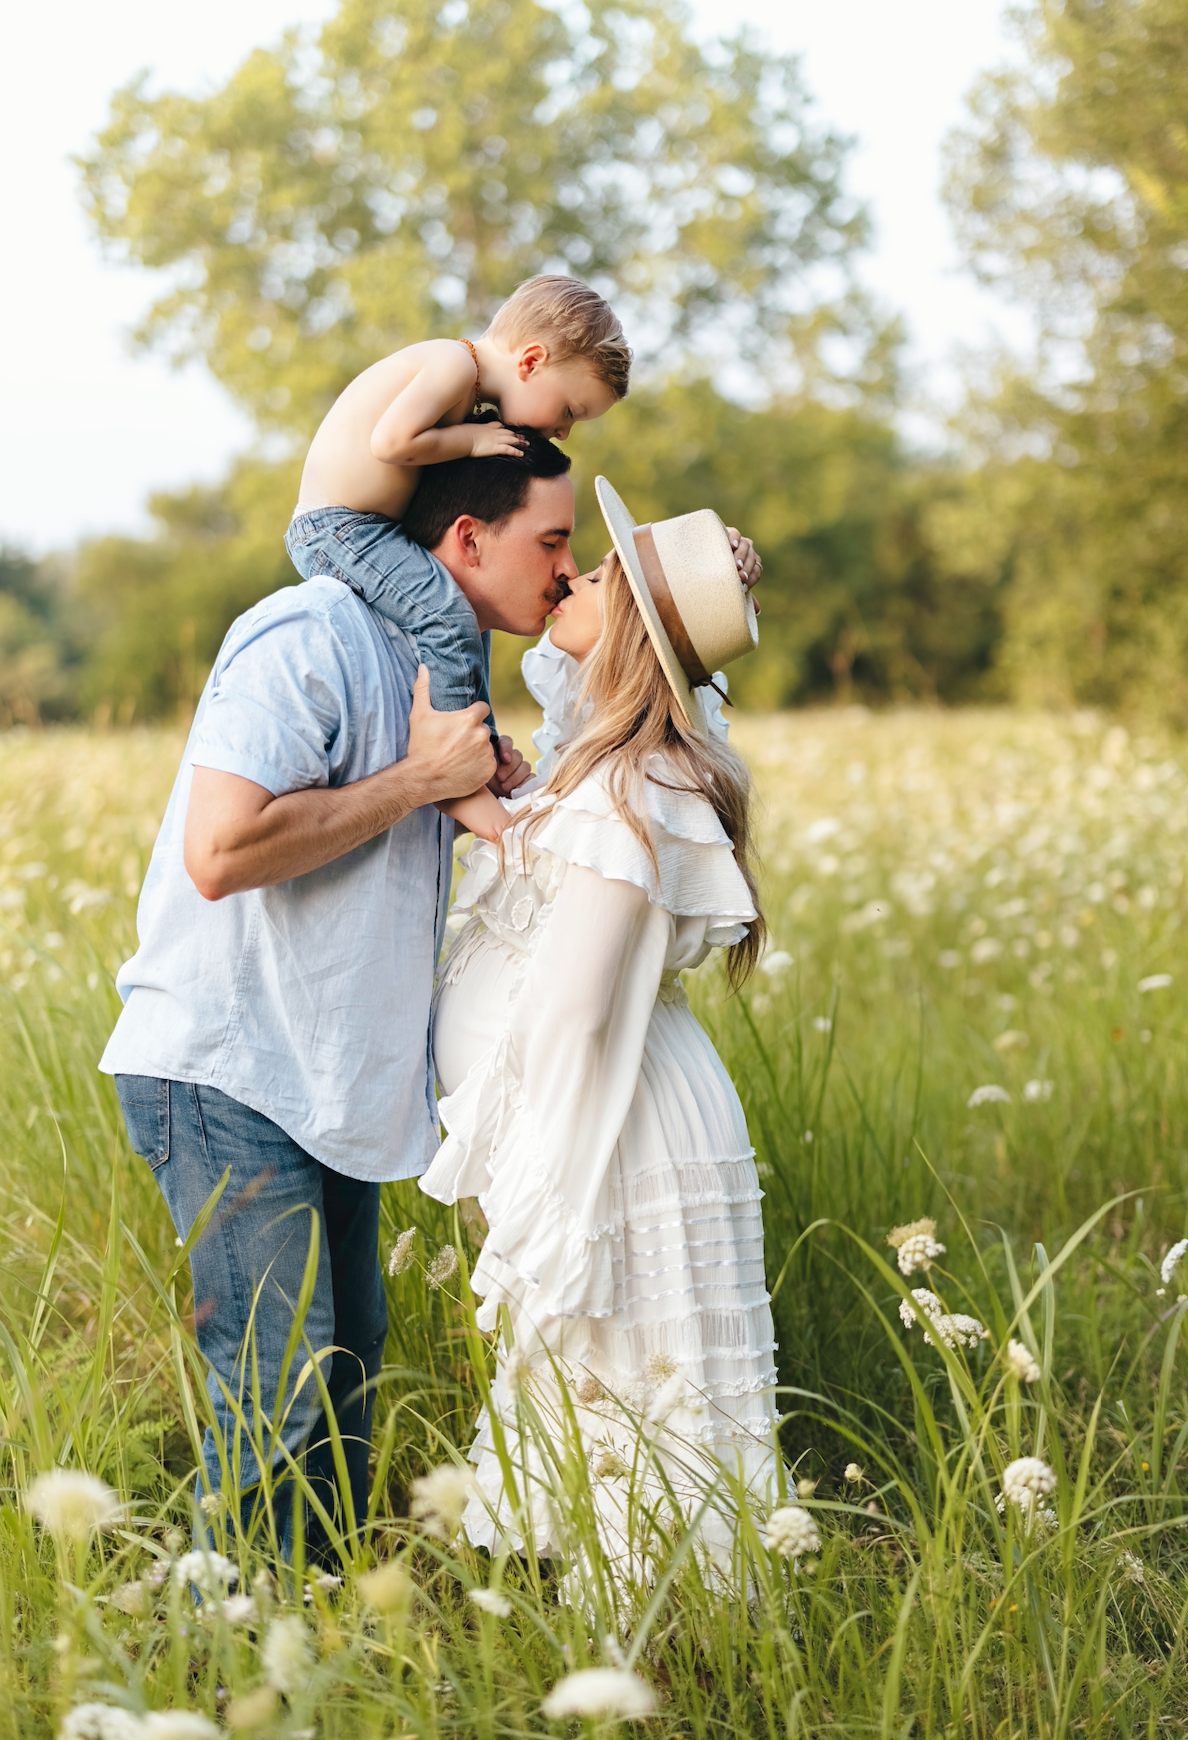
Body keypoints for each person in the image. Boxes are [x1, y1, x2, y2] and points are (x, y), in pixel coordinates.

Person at [98, 430, 578, 1562]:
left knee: (346, 1361)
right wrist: (420, 781)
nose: (564, 568)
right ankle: (236, 1668)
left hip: (330, 1080)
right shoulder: (306, 631)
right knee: (284, 1384)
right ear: (465, 537)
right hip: (229, 1067)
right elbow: (222, 853)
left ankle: (317, 1637)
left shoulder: (445, 668)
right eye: (550, 541)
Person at [421, 477, 779, 1575]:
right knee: (601, 1403)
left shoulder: (643, 783)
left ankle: (660, 1656)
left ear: (629, 627)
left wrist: (531, 1190)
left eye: (607, 571)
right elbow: (553, 891)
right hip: (612, 1108)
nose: (575, 570)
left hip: (616, 1126)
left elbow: (576, 1014)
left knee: (634, 1398)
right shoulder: (605, 772)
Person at [285, 276, 631, 841]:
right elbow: (392, 443)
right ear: (531, 361)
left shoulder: (466, 387)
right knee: (447, 615)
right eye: (569, 408)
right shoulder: (453, 364)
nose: (564, 429)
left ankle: (480, 754)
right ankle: (459, 780)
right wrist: (472, 440)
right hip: (337, 528)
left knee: (465, 618)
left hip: (368, 525)